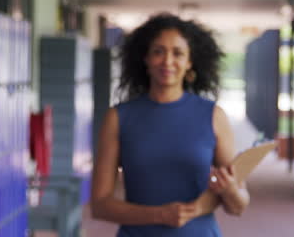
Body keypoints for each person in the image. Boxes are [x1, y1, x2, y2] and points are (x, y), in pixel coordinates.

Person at [90, 13, 250, 237]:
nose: (167, 61)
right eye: (158, 51)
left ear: (189, 62)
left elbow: (238, 206)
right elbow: (99, 205)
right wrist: (159, 215)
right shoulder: (118, 118)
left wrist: (230, 190)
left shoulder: (213, 116)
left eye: (178, 53)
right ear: (145, 58)